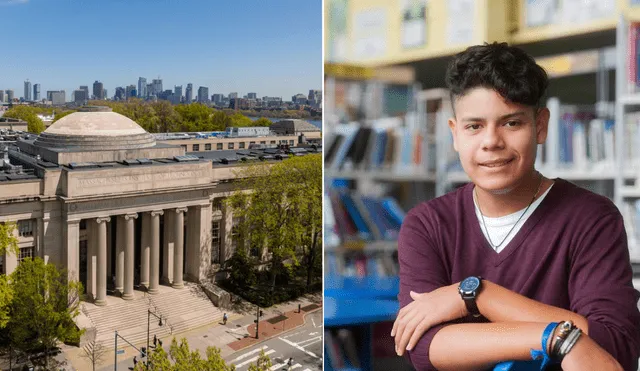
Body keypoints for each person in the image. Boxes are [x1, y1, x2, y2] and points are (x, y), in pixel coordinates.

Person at [391, 42, 640, 371]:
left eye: (511, 123)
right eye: (474, 126)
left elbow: (614, 346)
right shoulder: (428, 223)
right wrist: (557, 338)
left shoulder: (592, 218)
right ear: (455, 133)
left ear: (540, 125)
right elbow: (421, 347)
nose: (491, 141)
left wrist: (476, 295)